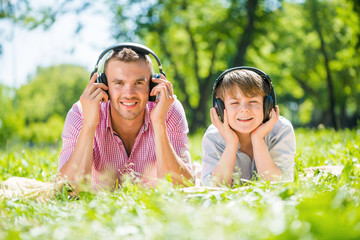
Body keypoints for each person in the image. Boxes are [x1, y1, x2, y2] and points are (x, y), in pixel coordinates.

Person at [57, 43, 193, 191]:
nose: (129, 93)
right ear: (103, 85)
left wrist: (159, 123)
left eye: (139, 83)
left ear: (153, 86)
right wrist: (89, 124)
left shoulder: (168, 109)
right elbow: (67, 190)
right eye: (119, 83)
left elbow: (183, 188)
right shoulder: (80, 113)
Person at [201, 67, 296, 186]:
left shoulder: (281, 130)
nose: (244, 109)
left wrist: (257, 138)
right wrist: (231, 143)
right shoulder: (213, 136)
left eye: (253, 102)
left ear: (267, 105)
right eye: (234, 103)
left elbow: (277, 185)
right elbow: (215, 188)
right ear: (220, 109)